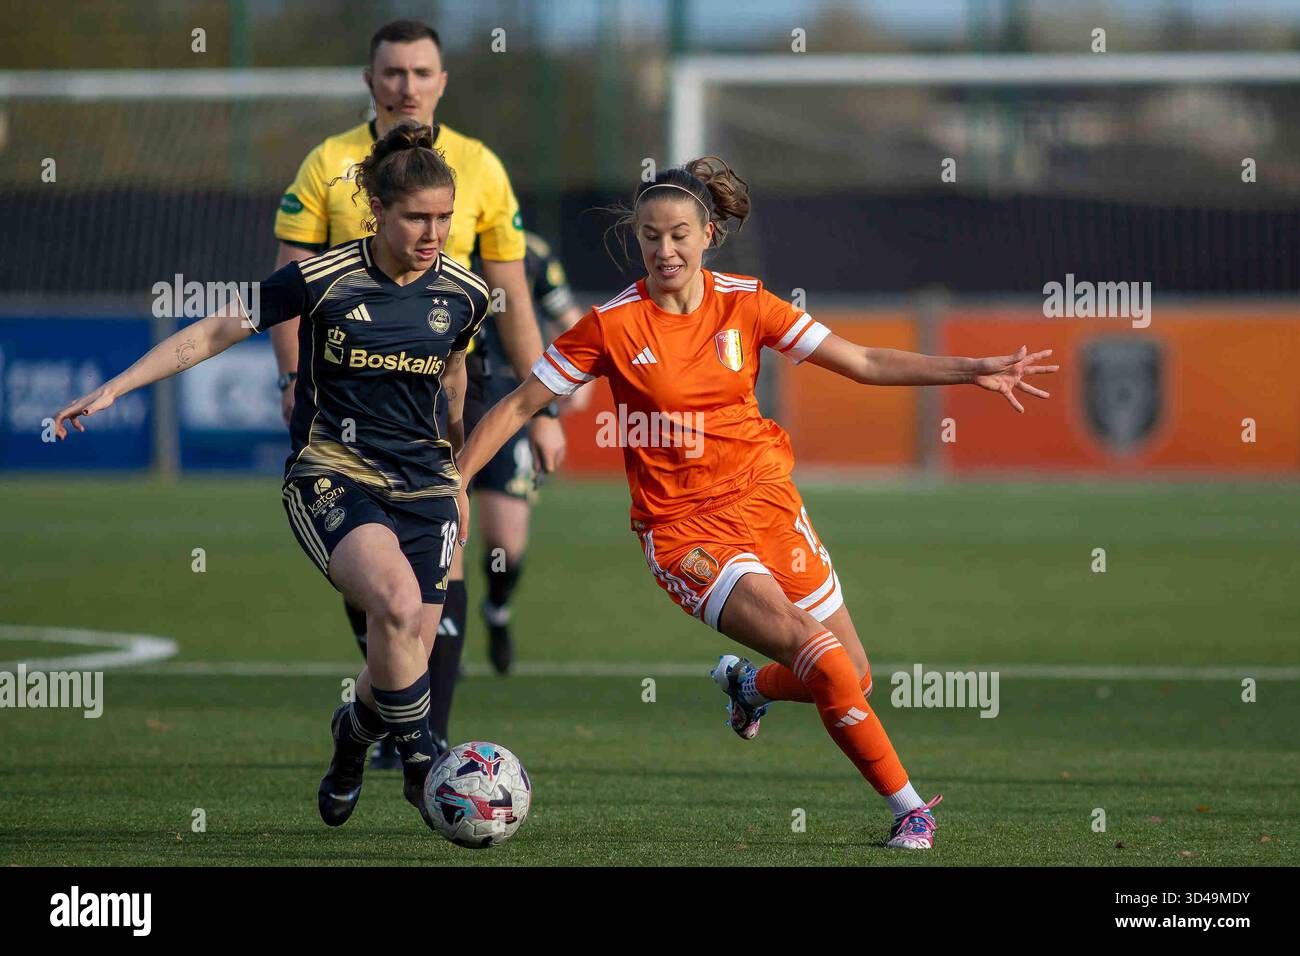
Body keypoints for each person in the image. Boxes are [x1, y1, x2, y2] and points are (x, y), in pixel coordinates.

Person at [450, 156, 1059, 849]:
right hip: (685, 532)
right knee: (823, 660)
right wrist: (459, 479)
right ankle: (911, 810)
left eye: (679, 234)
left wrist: (971, 369)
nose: (664, 249)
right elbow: (522, 401)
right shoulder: (613, 325)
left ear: (708, 233)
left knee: (852, 676)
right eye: (650, 236)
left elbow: (860, 362)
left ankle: (752, 688)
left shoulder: (746, 301)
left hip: (768, 503)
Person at [53, 122, 484, 832]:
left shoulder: (465, 296)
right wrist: (117, 388)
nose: (433, 231)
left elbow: (458, 384)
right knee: (400, 608)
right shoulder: (322, 279)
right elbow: (219, 330)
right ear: (376, 209)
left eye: (444, 216)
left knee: (402, 648)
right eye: (417, 217)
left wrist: (459, 476)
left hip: (427, 487)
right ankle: (422, 761)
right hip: (332, 475)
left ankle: (352, 739)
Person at [270, 18, 564, 765]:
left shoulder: (480, 167)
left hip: (452, 383)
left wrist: (546, 404)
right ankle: (399, 724)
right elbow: (287, 284)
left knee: (453, 556)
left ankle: (422, 739)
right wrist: (287, 376)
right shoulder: (329, 162)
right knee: (382, 583)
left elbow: (512, 296)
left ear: (441, 81)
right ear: (371, 81)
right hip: (349, 399)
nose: (407, 85)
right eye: (393, 72)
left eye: (422, 71)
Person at [467, 231, 586, 673]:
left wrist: (575, 377)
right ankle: (441, 641)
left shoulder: (529, 251)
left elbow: (567, 318)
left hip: (514, 395)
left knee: (505, 543)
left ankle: (497, 611)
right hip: (446, 393)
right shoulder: (435, 244)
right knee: (443, 534)